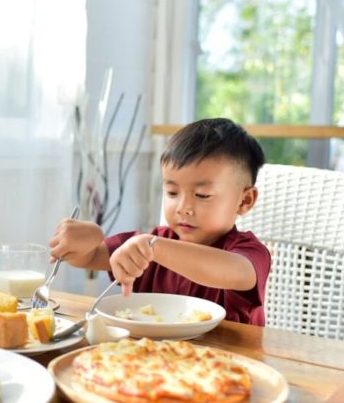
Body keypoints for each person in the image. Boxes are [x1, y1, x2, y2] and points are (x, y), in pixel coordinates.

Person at [49, 118, 270, 325]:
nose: (183, 207)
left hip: (229, 362)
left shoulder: (250, 253)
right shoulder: (153, 241)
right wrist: (86, 239)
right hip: (156, 358)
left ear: (245, 200)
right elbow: (90, 257)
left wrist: (154, 247)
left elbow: (238, 272)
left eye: (202, 195)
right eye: (172, 192)